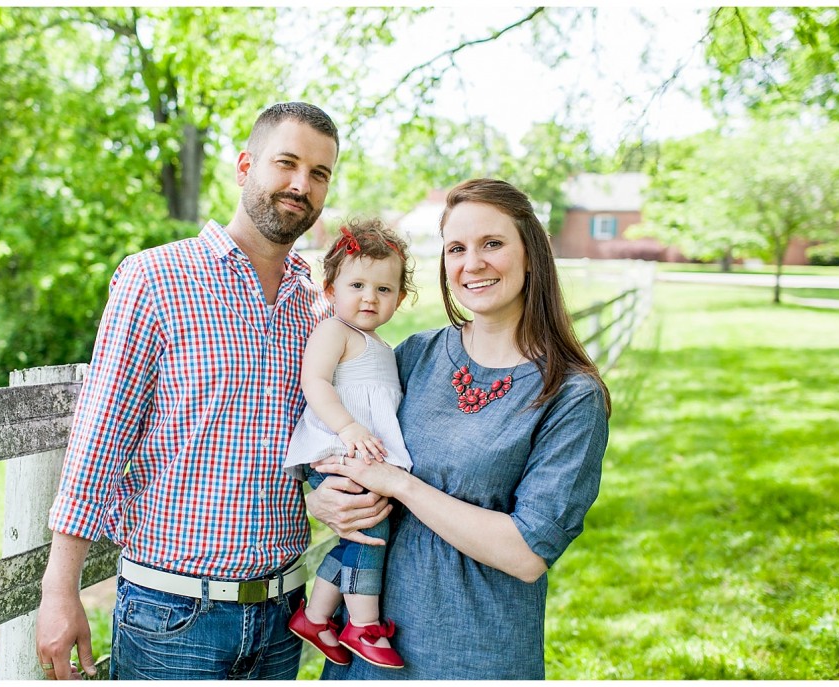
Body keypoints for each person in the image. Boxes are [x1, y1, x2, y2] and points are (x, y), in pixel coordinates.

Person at [35, 102, 391, 681]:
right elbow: (98, 443)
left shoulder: (322, 310)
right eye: (287, 163)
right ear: (246, 165)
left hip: (284, 614)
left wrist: (321, 493)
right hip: (173, 615)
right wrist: (60, 590)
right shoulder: (153, 279)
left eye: (320, 173)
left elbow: (312, 434)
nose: (302, 184)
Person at [308, 178, 610, 680]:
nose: (473, 263)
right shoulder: (414, 356)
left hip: (472, 652)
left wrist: (401, 484)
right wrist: (324, 499)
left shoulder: (571, 395)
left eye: (492, 243)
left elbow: (528, 553)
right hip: (366, 648)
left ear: (531, 253)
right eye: (456, 248)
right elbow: (333, 432)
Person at [282, 218, 416, 670]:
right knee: (371, 533)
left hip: (359, 452)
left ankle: (316, 617)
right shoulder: (333, 332)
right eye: (357, 284)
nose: (369, 297)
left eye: (384, 289)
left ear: (399, 297)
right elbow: (315, 383)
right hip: (339, 449)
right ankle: (362, 623)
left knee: (358, 533)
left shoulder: (379, 343)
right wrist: (347, 428)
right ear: (330, 288)